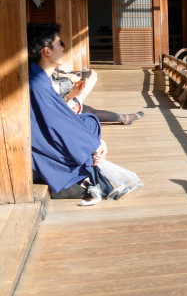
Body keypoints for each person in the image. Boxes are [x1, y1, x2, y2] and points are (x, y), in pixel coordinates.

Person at [27, 23, 142, 205]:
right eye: (60, 43)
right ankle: (81, 180)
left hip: (41, 139)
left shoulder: (37, 76)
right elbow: (58, 124)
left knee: (87, 123)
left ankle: (89, 178)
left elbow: (57, 118)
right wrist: (93, 144)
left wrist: (76, 97)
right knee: (88, 125)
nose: (63, 47)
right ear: (46, 52)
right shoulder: (35, 82)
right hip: (36, 149)